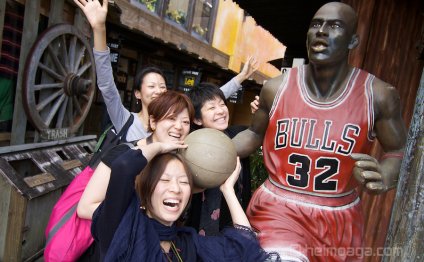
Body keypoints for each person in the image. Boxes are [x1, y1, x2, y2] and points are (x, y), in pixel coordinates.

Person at [232, 2, 407, 261]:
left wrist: (386, 174)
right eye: (316, 24)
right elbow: (254, 134)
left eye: (334, 26)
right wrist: (218, 149)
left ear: (352, 41)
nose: (322, 31)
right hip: (279, 207)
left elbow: (398, 150)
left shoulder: (379, 95)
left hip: (340, 216)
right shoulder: (276, 87)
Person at [74, 0, 258, 142]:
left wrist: (240, 78)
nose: (158, 90)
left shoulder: (172, 124)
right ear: (137, 93)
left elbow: (208, 101)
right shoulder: (124, 119)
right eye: (151, 86)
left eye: (162, 86)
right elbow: (106, 84)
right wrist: (99, 29)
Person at [185, 83, 253, 236]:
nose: (221, 111)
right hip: (198, 228)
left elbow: (258, 131)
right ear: (197, 119)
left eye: (222, 104)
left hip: (236, 220)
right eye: (211, 108)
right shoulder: (190, 146)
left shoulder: (239, 134)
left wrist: (260, 112)